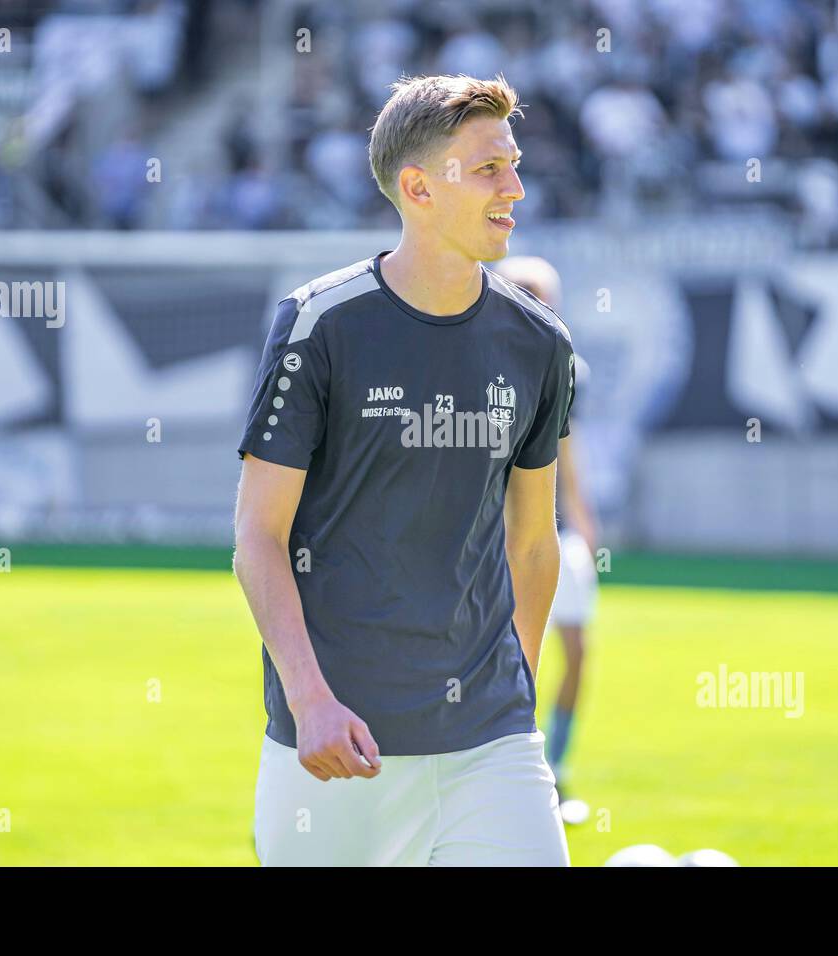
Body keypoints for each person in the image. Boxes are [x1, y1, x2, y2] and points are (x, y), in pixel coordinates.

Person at [233, 74, 575, 866]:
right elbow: (258, 536)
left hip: (492, 745)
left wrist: (510, 691)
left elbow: (532, 543)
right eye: (488, 168)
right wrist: (310, 701)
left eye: (514, 163)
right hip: (336, 745)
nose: (515, 187)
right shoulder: (318, 324)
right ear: (418, 187)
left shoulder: (540, 341)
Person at [493, 256, 598, 823]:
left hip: (552, 534)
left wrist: (583, 516)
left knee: (577, 651)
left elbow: (567, 446)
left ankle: (557, 766)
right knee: (511, 660)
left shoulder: (565, 366)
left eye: (544, 294)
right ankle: (511, 773)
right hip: (496, 542)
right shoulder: (479, 363)